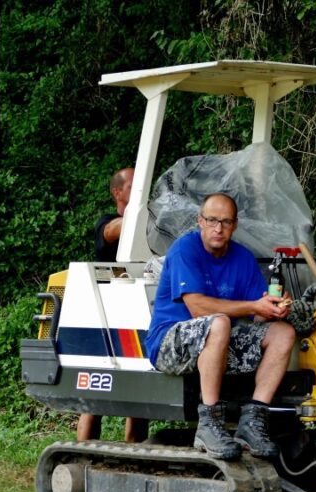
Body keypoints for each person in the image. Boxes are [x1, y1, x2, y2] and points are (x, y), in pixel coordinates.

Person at [145, 192, 296, 460]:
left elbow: (257, 315)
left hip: (219, 341)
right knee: (220, 323)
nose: (219, 228)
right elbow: (198, 308)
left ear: (235, 225)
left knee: (283, 333)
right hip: (171, 342)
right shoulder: (185, 249)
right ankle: (210, 423)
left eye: (226, 222)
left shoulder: (243, 258)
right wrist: (252, 307)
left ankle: (253, 420)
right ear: (200, 221)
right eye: (212, 220)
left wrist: (273, 308)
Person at [76, 167, 149, 442]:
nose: (141, 190)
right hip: (104, 319)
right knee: (93, 401)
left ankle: (136, 456)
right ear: (117, 193)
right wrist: (141, 213)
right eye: (133, 186)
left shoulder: (150, 228)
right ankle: (81, 455)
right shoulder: (107, 224)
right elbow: (111, 230)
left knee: (140, 401)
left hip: (136, 316)